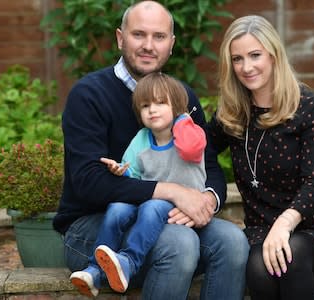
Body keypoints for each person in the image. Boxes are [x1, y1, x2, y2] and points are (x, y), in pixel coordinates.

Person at [52, 1, 249, 299]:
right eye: (138, 35)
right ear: (120, 38)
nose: (148, 45)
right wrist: (173, 191)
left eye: (158, 37)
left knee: (233, 241)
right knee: (179, 244)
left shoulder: (182, 97)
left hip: (166, 217)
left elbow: (208, 166)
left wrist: (205, 200)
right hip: (95, 228)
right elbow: (89, 183)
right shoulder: (89, 95)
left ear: (171, 44)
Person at [207, 15, 314, 300]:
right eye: (237, 59)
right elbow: (201, 150)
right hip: (262, 228)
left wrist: (284, 224)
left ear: (274, 55)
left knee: (289, 258)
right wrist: (208, 193)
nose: (246, 67)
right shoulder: (230, 113)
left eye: (255, 55)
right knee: (258, 269)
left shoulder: (309, 107)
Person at [71, 72, 208, 294]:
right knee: (117, 209)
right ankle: (95, 270)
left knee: (153, 206)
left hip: (183, 204)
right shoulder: (142, 138)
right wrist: (120, 172)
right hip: (150, 199)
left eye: (161, 103)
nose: (152, 109)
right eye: (145, 106)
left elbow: (190, 149)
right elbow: (132, 174)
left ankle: (129, 261)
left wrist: (182, 118)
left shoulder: (190, 133)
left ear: (178, 106)